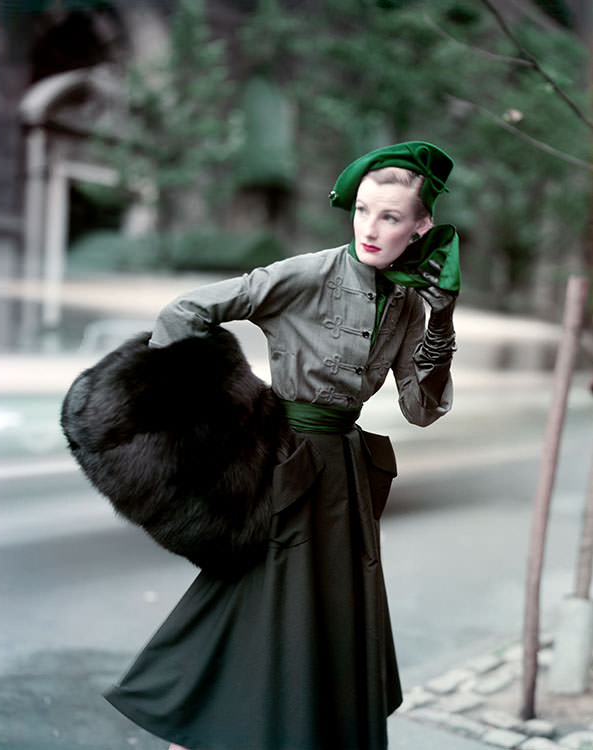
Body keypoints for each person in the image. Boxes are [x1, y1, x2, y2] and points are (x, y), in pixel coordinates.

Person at [94, 141, 460, 749]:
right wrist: (221, 415)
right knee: (250, 618)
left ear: (420, 225)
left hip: (345, 482)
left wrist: (441, 321)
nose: (370, 228)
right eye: (362, 210)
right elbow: (185, 311)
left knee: (325, 628)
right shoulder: (309, 273)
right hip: (284, 468)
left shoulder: (406, 303)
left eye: (390, 217)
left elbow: (420, 409)